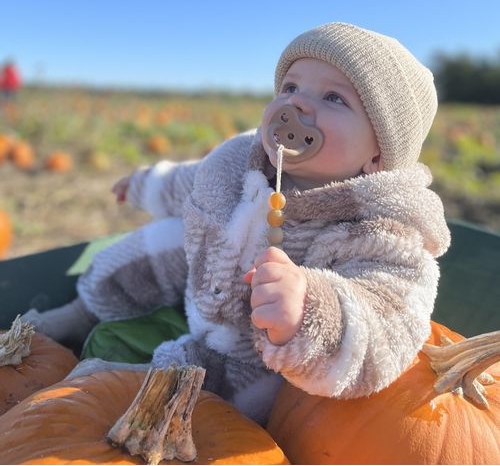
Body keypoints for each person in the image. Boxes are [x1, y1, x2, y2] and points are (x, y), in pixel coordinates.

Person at [23, 22, 450, 424]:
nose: (296, 104)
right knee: (161, 240)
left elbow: (389, 314)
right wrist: (142, 185)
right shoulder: (240, 159)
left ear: (378, 154)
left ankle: (119, 390)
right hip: (203, 287)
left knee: (238, 391)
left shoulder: (381, 226)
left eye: (334, 98)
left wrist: (310, 312)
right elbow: (189, 182)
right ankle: (82, 312)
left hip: (258, 357)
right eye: (291, 86)